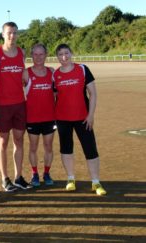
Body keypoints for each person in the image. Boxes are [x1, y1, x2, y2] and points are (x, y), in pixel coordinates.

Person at [53, 43, 107, 196]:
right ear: (57, 57)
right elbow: (54, 96)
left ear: (71, 53)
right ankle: (71, 179)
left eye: (66, 53)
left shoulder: (83, 69)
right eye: (60, 54)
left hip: (83, 118)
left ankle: (95, 182)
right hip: (62, 119)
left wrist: (90, 115)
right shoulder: (55, 75)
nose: (64, 57)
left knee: (90, 149)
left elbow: (93, 94)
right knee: (66, 149)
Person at [0, 22, 30, 191]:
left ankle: (18, 177)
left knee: (19, 140)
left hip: (20, 103)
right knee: (3, 142)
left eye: (14, 33)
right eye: (9, 33)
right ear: (3, 34)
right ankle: (5, 179)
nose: (12, 36)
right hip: (2, 105)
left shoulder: (21, 52)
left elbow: (22, 73)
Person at [23, 44, 56, 187]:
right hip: (32, 117)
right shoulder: (26, 73)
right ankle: (34, 173)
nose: (38, 57)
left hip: (49, 117)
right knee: (33, 147)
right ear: (31, 55)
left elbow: (57, 93)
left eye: (41, 54)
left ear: (46, 55)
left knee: (48, 146)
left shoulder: (52, 72)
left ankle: (47, 173)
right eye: (35, 54)